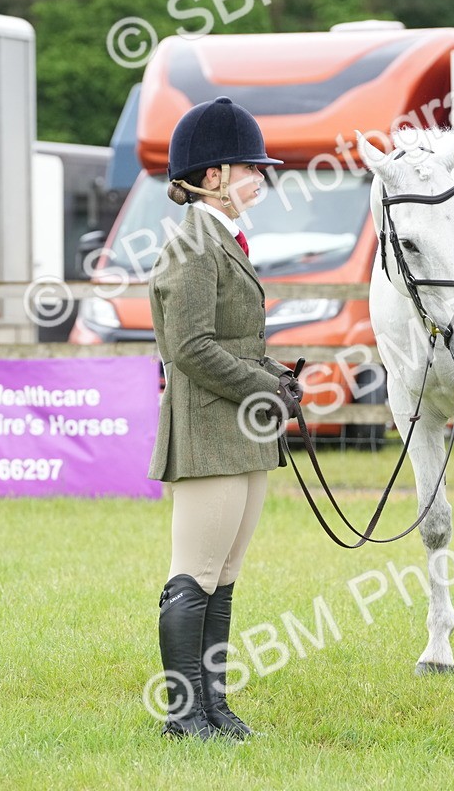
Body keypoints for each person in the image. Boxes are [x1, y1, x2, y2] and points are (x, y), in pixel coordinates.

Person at [148, 96, 302, 742]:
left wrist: (275, 381)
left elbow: (230, 338)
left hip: (240, 428)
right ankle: (184, 715)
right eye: (250, 168)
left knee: (226, 577)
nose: (261, 180)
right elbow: (189, 348)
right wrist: (262, 386)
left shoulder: (225, 239)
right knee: (196, 573)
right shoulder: (192, 247)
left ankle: (214, 706)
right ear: (212, 176)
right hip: (209, 428)